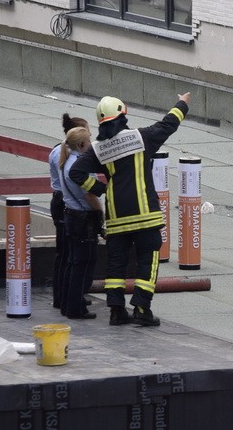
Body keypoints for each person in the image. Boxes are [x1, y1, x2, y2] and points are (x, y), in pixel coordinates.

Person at [70, 92, 191, 326]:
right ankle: (142, 308)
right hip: (145, 216)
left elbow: (76, 172)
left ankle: (116, 310)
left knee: (116, 264)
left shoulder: (98, 149)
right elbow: (168, 124)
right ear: (123, 116)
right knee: (148, 260)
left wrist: (99, 188)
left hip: (117, 219)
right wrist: (182, 103)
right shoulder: (141, 138)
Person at [58, 127, 104, 320]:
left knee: (73, 262)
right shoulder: (79, 166)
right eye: (89, 140)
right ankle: (76, 308)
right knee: (83, 264)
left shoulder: (65, 161)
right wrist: (101, 212)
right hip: (83, 219)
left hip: (71, 215)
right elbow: (90, 195)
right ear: (82, 144)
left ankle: (68, 303)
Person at [49, 114, 89, 309]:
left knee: (66, 254)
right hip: (66, 203)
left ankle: (65, 296)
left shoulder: (60, 151)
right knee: (67, 255)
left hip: (62, 200)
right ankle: (63, 297)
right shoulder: (65, 155)